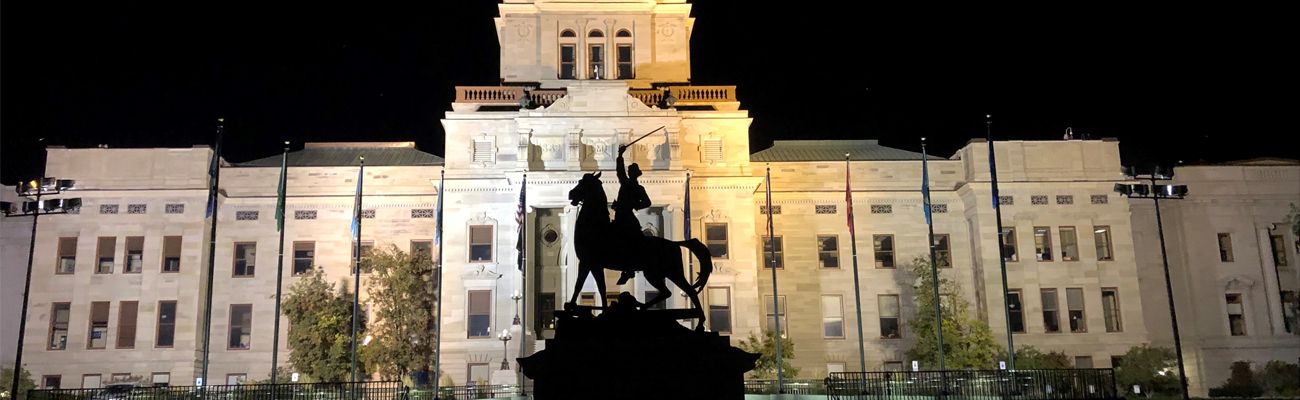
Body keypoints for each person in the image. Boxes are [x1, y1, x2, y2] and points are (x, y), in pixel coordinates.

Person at [613, 144, 651, 285]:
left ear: (635, 173)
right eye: (629, 170)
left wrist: (633, 206)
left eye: (631, 171)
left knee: (627, 241)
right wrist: (620, 156)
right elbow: (619, 171)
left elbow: (647, 202)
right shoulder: (625, 183)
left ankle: (628, 269)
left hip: (627, 218)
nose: (628, 172)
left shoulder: (637, 188)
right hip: (620, 215)